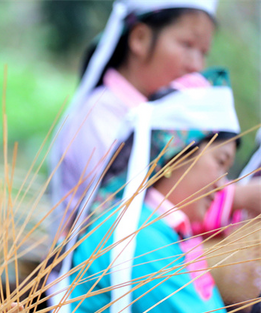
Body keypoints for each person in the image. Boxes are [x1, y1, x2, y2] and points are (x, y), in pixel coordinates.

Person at [44, 70, 250, 313]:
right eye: (221, 163)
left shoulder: (157, 229)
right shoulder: (138, 234)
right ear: (177, 156)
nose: (222, 185)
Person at [48, 0, 260, 239]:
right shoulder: (100, 115)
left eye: (203, 52)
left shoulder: (156, 120)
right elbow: (130, 206)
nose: (196, 65)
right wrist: (238, 198)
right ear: (140, 38)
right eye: (186, 44)